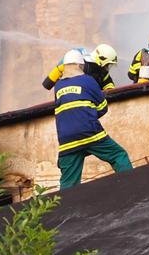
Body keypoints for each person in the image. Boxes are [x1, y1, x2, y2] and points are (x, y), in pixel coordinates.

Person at [52, 49, 132, 189]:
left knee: (68, 183)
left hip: (66, 140)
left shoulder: (58, 86)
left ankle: (65, 203)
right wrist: (88, 115)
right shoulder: (88, 80)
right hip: (90, 132)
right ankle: (131, 187)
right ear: (80, 65)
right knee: (118, 155)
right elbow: (103, 107)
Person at [41, 43, 118, 92]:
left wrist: (109, 90)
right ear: (101, 59)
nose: (107, 66)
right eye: (107, 64)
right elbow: (47, 84)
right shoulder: (79, 64)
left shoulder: (102, 71)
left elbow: (108, 84)